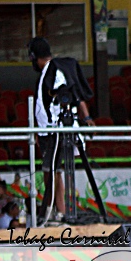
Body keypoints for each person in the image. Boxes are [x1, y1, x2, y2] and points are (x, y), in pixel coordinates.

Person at [29, 37, 96, 226]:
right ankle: (56, 211)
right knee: (53, 171)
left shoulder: (54, 70)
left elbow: (71, 94)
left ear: (35, 57)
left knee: (53, 171)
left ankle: (58, 212)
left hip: (55, 130)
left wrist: (86, 118)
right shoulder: (48, 72)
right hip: (47, 130)